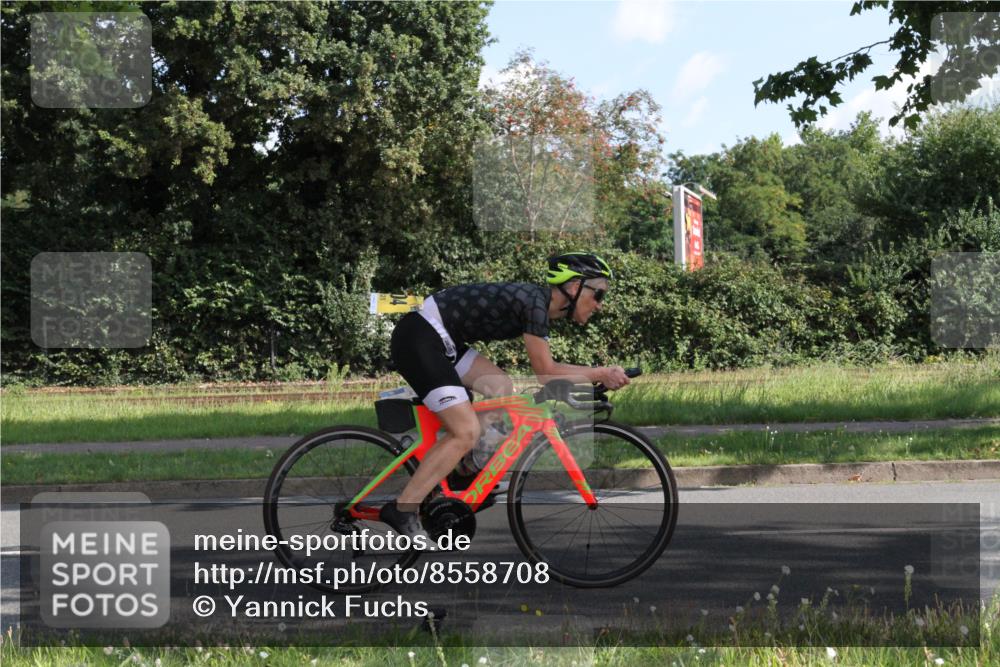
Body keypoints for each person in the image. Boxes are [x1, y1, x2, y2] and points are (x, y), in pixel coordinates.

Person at [380, 252, 631, 537]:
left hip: (443, 338)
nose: (600, 305)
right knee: (465, 431)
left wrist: (584, 380)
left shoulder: (538, 305)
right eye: (598, 294)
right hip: (421, 338)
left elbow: (547, 372)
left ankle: (461, 468)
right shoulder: (535, 304)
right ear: (574, 287)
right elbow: (545, 370)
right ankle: (402, 509)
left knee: (501, 389)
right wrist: (599, 373)